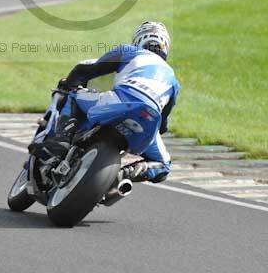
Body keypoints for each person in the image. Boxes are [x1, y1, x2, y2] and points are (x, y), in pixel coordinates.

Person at [30, 21, 180, 184]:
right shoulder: (173, 79)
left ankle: (61, 141)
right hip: (149, 118)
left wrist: (69, 83)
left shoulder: (130, 51)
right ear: (166, 47)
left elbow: (90, 68)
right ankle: (123, 175)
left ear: (138, 40)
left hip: (120, 101)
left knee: (73, 96)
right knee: (164, 165)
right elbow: (163, 124)